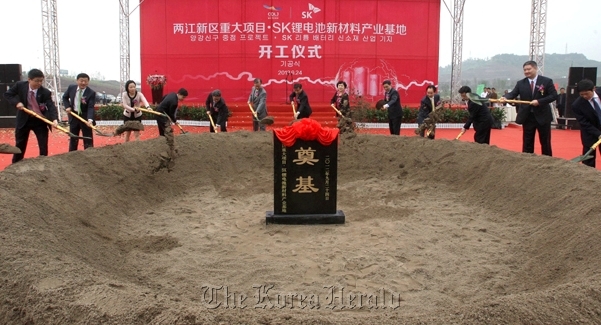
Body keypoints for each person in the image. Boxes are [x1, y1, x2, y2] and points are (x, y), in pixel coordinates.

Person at [500, 60, 558, 156]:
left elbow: (554, 95)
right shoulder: (520, 83)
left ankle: (548, 160)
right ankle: (527, 160)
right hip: (527, 116)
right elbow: (513, 93)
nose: (526, 71)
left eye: (529, 69)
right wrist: (505, 97)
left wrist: (539, 102)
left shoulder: (546, 81)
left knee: (545, 141)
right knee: (527, 141)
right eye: (525, 70)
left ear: (535, 68)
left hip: (543, 116)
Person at [3, 68, 58, 163]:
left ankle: (44, 163)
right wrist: (17, 103)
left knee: (43, 144)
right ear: (29, 79)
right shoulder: (20, 85)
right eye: (37, 81)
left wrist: (54, 119)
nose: (39, 83)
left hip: (40, 120)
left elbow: (51, 106)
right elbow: (8, 94)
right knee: (20, 143)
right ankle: (16, 163)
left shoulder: (45, 92)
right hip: (24, 119)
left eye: (41, 81)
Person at [571, 79, 601, 168]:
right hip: (590, 132)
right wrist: (598, 134)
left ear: (593, 89)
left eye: (587, 93)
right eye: (581, 94)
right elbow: (584, 123)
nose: (584, 96)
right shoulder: (577, 105)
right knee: (589, 160)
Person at [62, 73, 96, 151]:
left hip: (85, 117)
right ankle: (72, 155)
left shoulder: (91, 93)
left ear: (88, 82)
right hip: (74, 116)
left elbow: (91, 107)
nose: (83, 83)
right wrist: (67, 107)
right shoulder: (71, 88)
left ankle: (89, 154)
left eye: (85, 81)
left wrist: (90, 119)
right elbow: (65, 97)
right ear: (77, 81)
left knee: (88, 138)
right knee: (73, 137)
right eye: (81, 81)